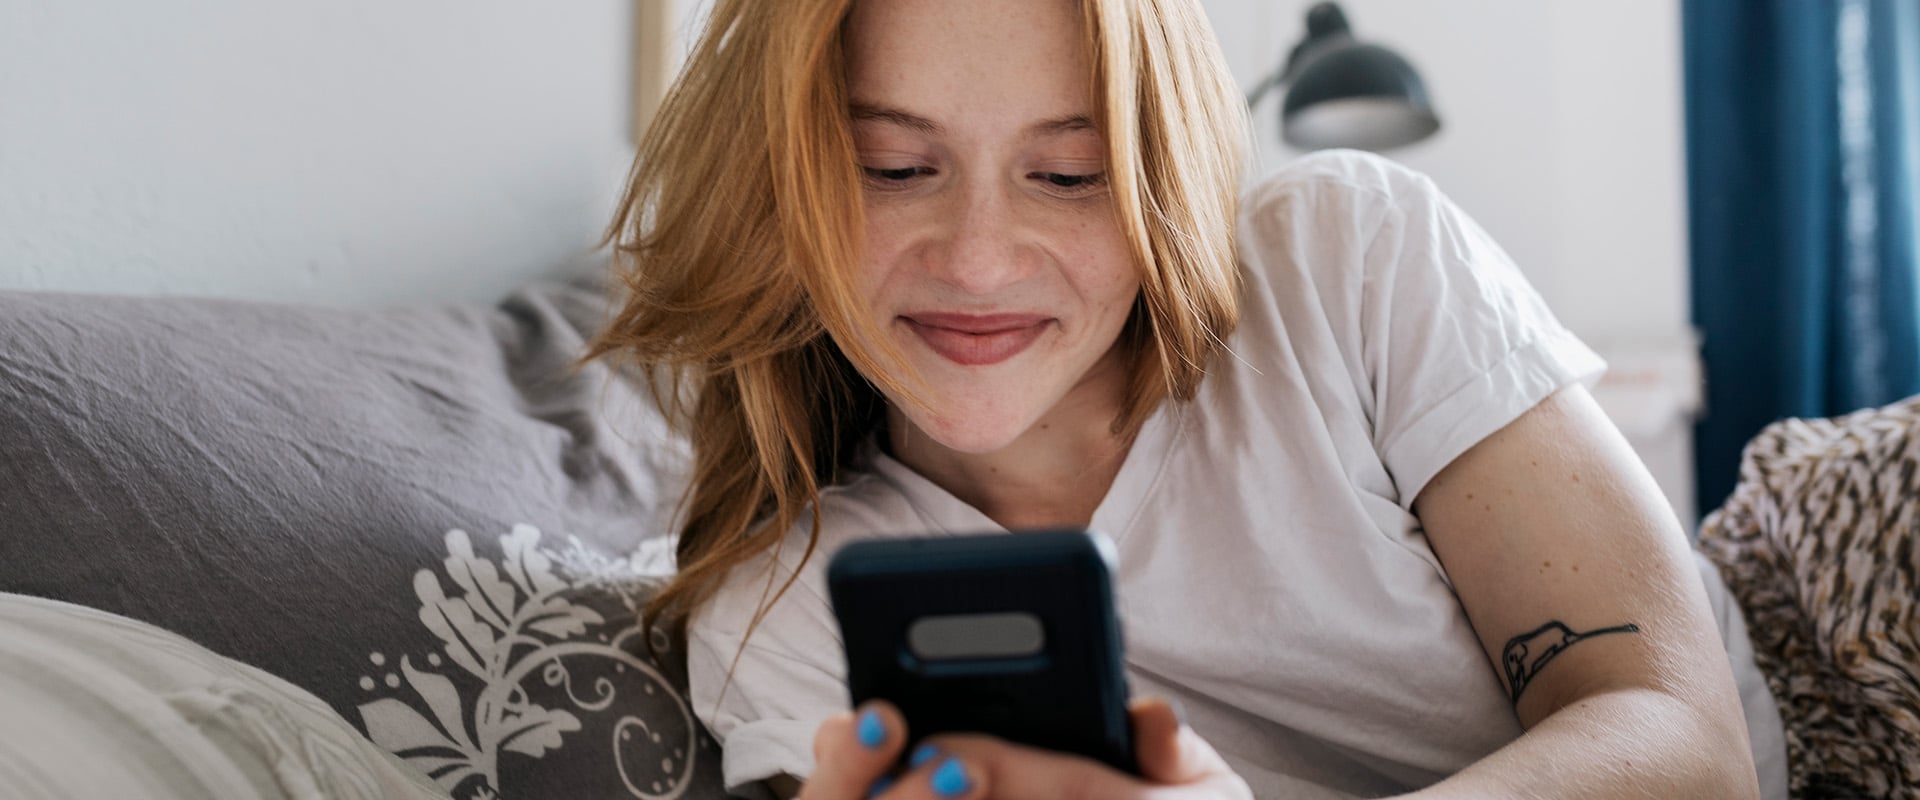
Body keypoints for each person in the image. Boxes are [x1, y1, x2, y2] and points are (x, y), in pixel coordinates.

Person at [587, 0, 1789, 797]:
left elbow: (1689, 745)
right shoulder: (786, 604)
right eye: (895, 170)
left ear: (1158, 173)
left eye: (1067, 174)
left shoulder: (1345, 255)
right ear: (782, 186)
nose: (980, 258)